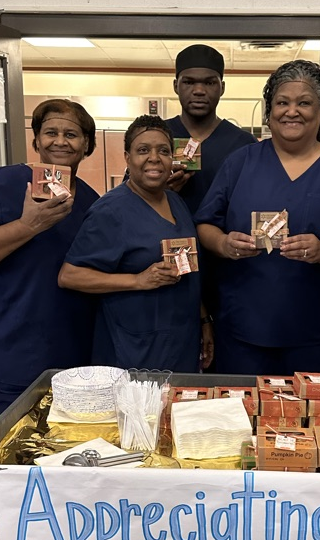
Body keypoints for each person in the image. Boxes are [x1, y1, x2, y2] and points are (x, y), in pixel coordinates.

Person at [195, 60, 320, 375]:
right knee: (243, 415)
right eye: (282, 102)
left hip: (316, 335)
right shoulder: (240, 163)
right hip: (242, 330)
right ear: (269, 112)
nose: (291, 111)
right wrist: (224, 243)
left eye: (304, 103)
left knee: (310, 417)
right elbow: (204, 224)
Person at [0, 99, 100, 416]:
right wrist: (28, 225)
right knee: (25, 455)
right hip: (16, 353)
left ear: (87, 145)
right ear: (36, 140)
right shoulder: (2, 185)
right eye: (50, 132)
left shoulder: (90, 201)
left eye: (71, 134)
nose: (60, 141)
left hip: (76, 356)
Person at [59, 115, 213, 372]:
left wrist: (204, 319)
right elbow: (70, 276)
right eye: (143, 150)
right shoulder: (110, 211)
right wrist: (137, 280)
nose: (154, 158)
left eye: (163, 151)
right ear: (128, 158)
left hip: (181, 340)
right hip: (135, 348)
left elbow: (186, 268)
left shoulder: (176, 202)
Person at [165, 44, 257, 215]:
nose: (199, 90)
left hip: (223, 240)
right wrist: (156, 190)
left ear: (222, 87)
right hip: (161, 238)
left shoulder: (244, 144)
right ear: (176, 86)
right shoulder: (155, 136)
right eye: (189, 82)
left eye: (209, 82)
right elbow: (130, 196)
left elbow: (255, 199)